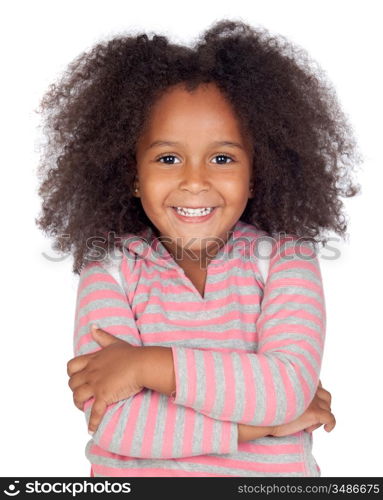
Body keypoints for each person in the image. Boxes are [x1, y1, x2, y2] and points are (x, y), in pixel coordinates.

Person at [35, 19, 360, 477]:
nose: (194, 181)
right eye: (168, 158)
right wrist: (264, 427)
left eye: (222, 158)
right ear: (131, 173)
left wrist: (146, 366)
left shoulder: (287, 260)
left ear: (256, 173)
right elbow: (114, 422)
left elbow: (286, 388)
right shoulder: (110, 269)